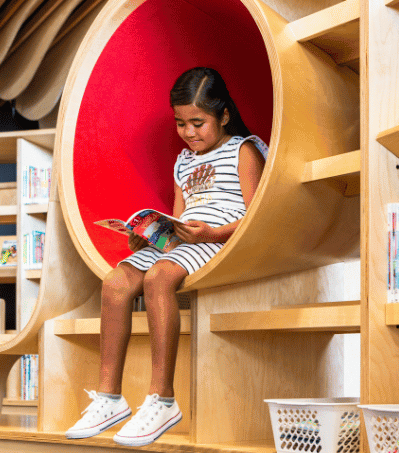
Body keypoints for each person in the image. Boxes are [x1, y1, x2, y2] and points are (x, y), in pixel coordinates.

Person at [65, 67, 268, 447]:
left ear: (224, 116)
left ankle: (163, 398)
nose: (189, 133)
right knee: (116, 281)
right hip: (184, 242)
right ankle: (109, 397)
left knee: (159, 278)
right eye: (181, 124)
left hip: (221, 240)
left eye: (198, 122)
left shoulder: (243, 149)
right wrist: (149, 237)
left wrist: (213, 233)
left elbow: (257, 218)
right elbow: (177, 217)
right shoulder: (182, 162)